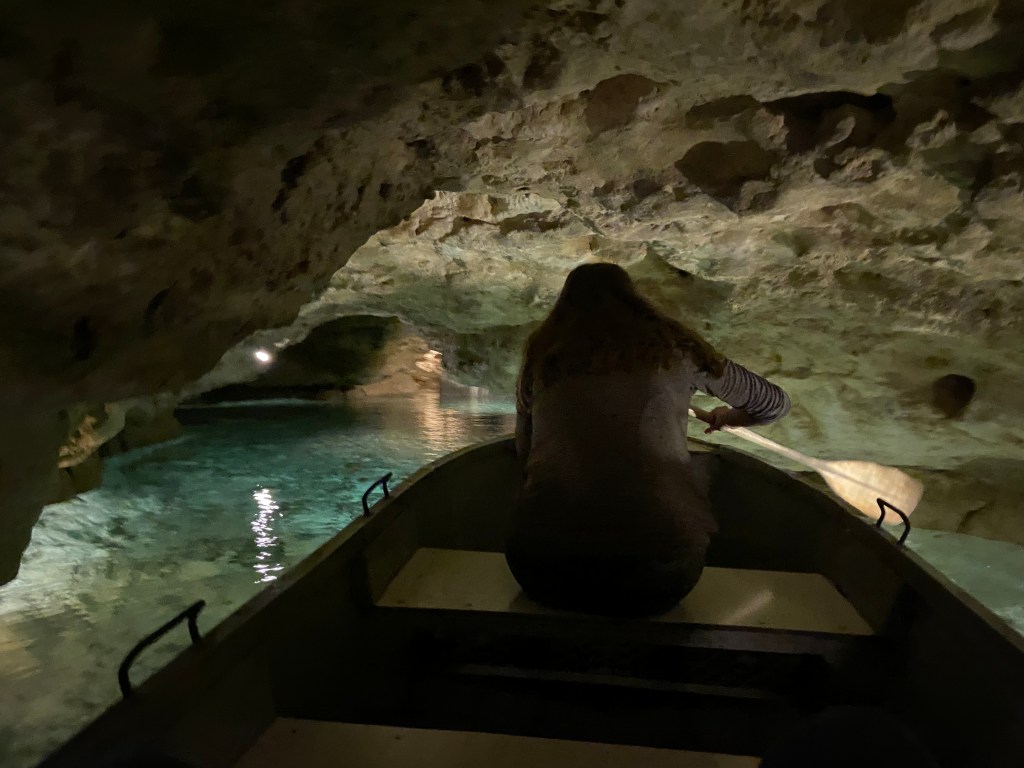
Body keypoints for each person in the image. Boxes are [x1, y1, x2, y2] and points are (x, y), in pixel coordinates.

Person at [506, 262, 790, 617]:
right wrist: (728, 417)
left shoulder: (542, 357)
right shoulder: (678, 348)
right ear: (635, 299)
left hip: (541, 570)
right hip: (658, 577)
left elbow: (524, 453)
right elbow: (774, 405)